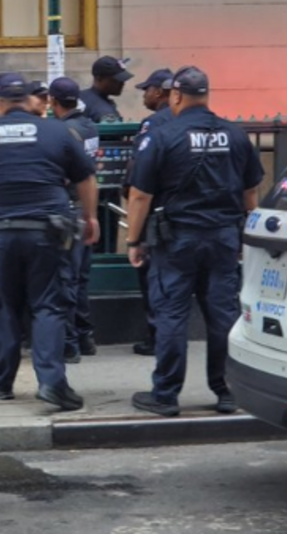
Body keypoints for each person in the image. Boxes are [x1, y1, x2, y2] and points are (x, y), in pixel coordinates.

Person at [0, 72, 100, 411]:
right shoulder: (56, 131)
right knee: (48, 305)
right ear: (30, 101)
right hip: (47, 233)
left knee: (2, 307)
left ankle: (1, 382)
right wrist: (90, 217)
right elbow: (87, 177)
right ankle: (52, 383)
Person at [125, 66, 264, 417]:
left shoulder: (162, 136)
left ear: (174, 95)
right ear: (206, 94)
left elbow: (140, 195)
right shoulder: (235, 135)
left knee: (171, 313)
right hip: (223, 238)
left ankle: (166, 395)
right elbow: (251, 192)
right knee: (223, 315)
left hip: (177, 240)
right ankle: (227, 391)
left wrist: (133, 240)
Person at [48, 77, 100, 364]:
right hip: (85, 208)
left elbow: (63, 173)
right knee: (81, 278)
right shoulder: (90, 126)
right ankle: (85, 335)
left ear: (53, 101)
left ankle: (69, 343)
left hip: (67, 207)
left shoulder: (61, 131)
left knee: (65, 278)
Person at [127, 68, 174, 357]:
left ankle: (157, 339)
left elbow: (139, 179)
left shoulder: (153, 124)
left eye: (147, 89)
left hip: (159, 217)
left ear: (160, 92)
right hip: (210, 223)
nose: (145, 95)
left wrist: (134, 237)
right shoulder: (216, 126)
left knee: (155, 283)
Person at [80, 56, 133, 123]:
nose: (122, 84)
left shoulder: (81, 96)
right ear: (99, 78)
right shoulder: (103, 110)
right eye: (116, 80)